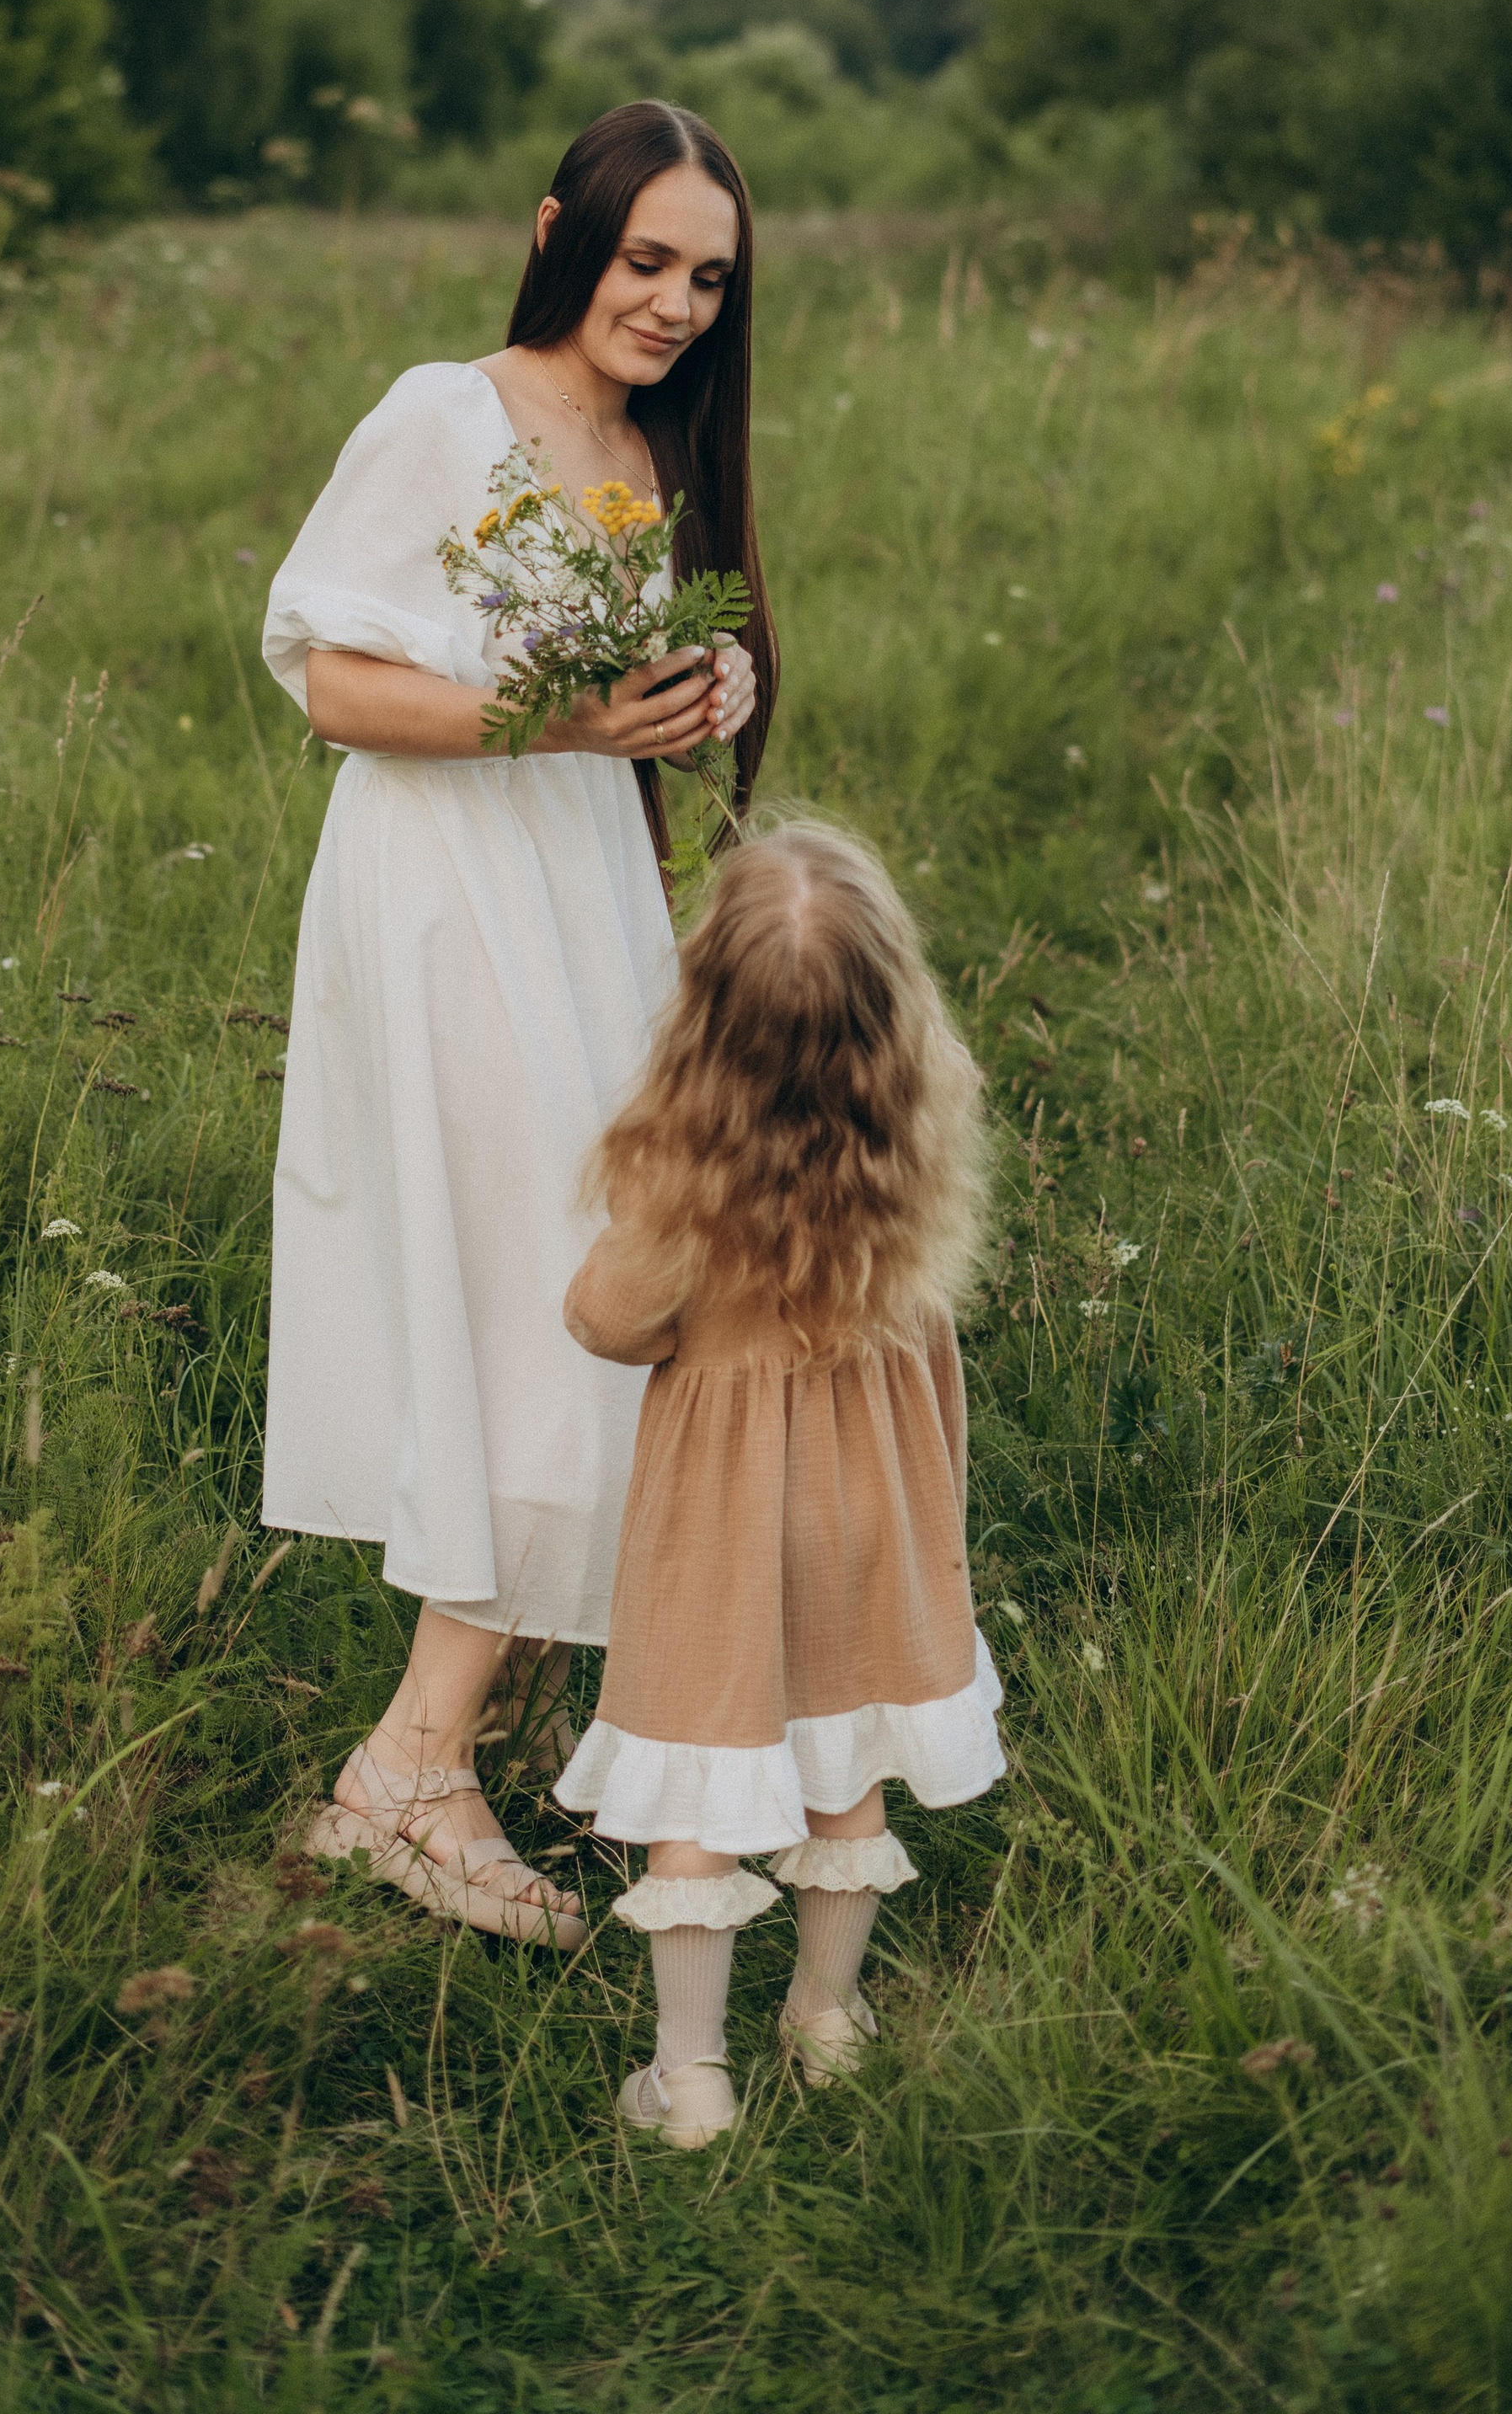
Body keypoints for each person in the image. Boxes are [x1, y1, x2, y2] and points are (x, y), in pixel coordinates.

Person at [260, 102, 777, 1948]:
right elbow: (325, 675)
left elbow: (608, 685)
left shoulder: (645, 443)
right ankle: (415, 1771)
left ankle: (487, 1727)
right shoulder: (442, 413)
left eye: (706, 278)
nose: (672, 302)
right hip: (442, 893)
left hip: (577, 887)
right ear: (564, 231)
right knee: (560, 1292)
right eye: (646, 259)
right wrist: (559, 728)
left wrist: (702, 684)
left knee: (599, 1278)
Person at [553, 821, 1003, 2141]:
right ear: (895, 1018)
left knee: (699, 1786)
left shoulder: (689, 1194)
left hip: (724, 1528)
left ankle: (691, 2077)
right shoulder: (906, 1176)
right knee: (841, 1756)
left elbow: (606, 1319)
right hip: (869, 1515)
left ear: (705, 1024)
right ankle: (826, 2015)